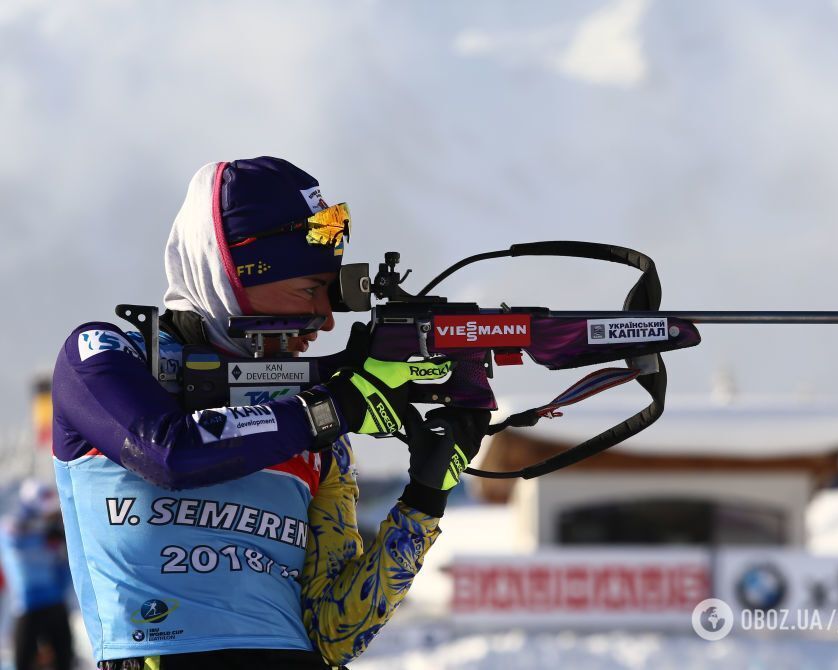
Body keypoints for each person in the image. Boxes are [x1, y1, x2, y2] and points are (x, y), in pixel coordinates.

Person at [51, 157, 489, 669]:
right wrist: (336, 407)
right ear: (231, 275)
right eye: (309, 289)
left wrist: (425, 498)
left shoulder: (313, 418)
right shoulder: (101, 355)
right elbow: (171, 453)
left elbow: (335, 632)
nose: (326, 320)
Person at [0, 479, 74, 670]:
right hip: (27, 606)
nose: (50, 516)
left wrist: (60, 538)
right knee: (22, 663)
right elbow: (14, 538)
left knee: (64, 662)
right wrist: (46, 533)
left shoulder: (52, 532)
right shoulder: (14, 527)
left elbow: (64, 566)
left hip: (55, 603)